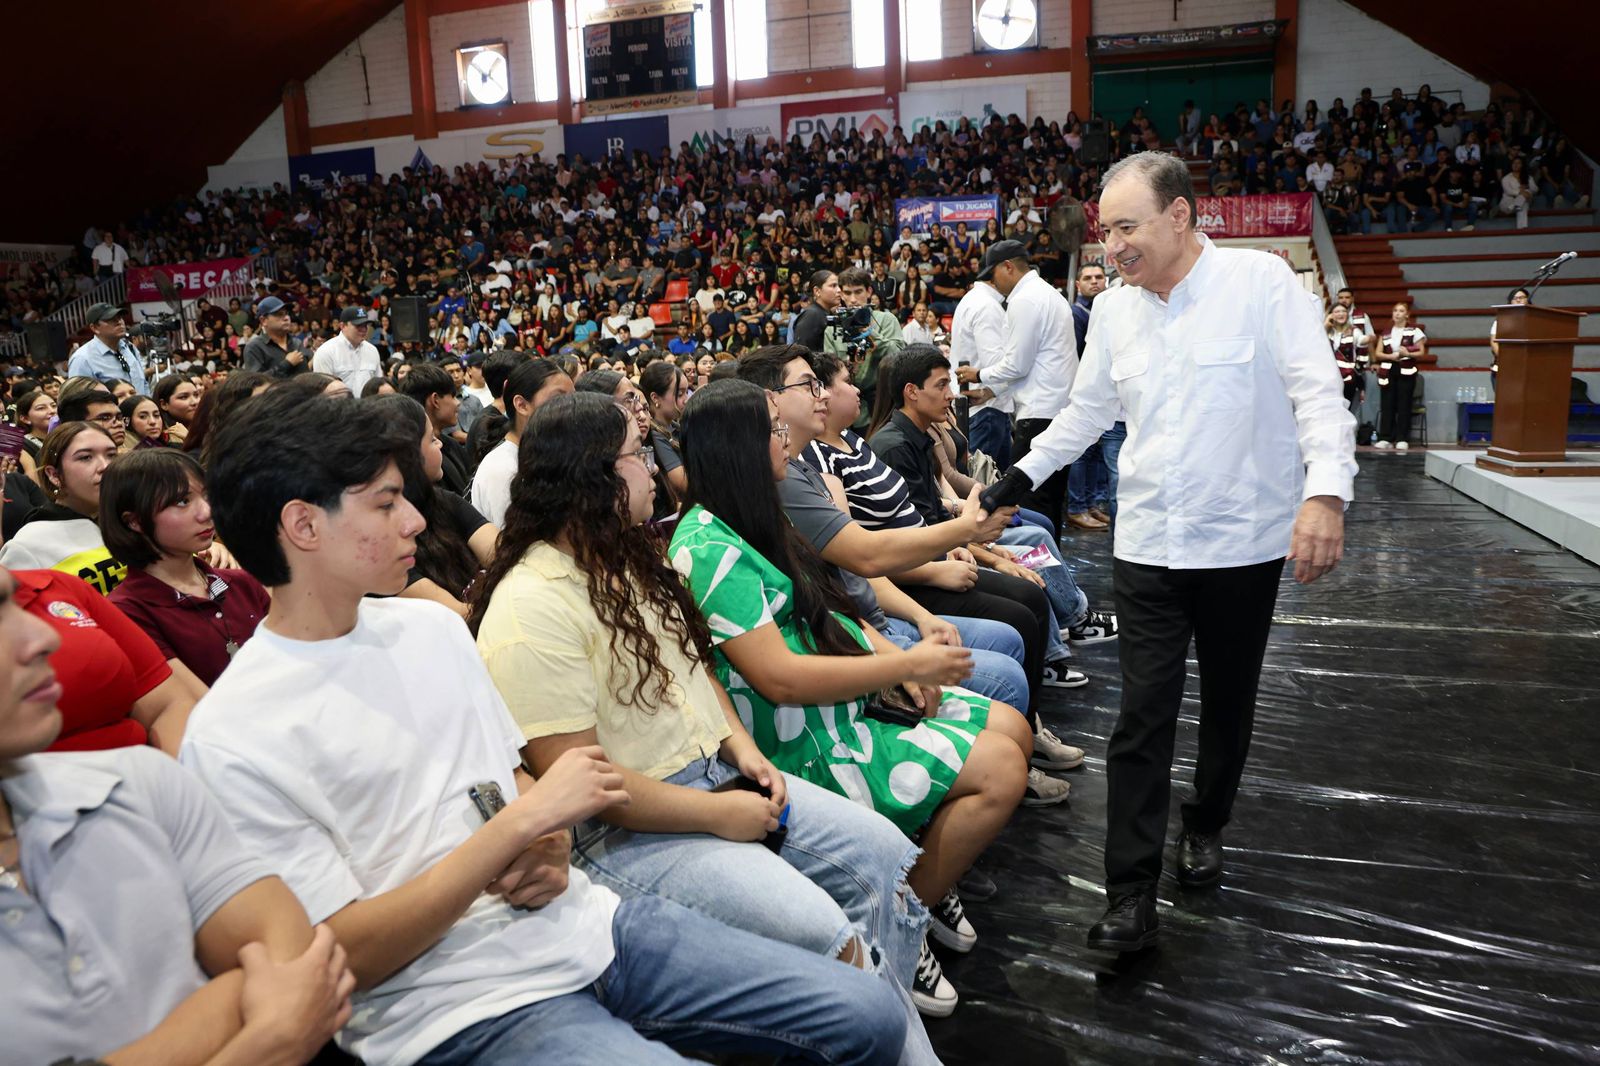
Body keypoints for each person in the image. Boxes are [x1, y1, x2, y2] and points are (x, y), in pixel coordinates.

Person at [184, 387, 907, 1066]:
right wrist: (523, 828)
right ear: (303, 525)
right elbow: (339, 952)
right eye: (386, 503)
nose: (415, 522)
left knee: (868, 1014)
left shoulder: (429, 630)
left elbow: (511, 779)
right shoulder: (237, 731)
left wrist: (548, 840)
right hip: (456, 1002)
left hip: (583, 923)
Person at [470, 392, 941, 1054]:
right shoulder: (531, 607)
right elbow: (582, 786)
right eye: (636, 455)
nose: (653, 471)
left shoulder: (626, 556)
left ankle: (885, 1023)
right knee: (827, 934)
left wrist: (742, 750)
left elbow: (695, 670)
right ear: (594, 476)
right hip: (627, 829)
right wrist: (718, 814)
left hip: (714, 773)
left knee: (882, 852)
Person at [982, 150, 1357, 945]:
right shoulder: (1115, 312)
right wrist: (1018, 476)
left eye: (1128, 227)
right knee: (1141, 716)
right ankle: (1130, 892)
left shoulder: (1261, 285)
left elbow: (1318, 395)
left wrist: (1325, 493)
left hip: (1241, 544)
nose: (1113, 246)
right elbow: (1086, 414)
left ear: (1180, 216)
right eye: (1106, 231)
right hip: (1148, 544)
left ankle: (1207, 821)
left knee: (1228, 702)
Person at [670, 378, 1032, 1015]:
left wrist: (895, 661)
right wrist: (902, 663)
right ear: (737, 448)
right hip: (801, 740)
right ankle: (894, 920)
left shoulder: (760, 514)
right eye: (773, 430)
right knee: (1001, 768)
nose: (786, 438)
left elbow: (830, 608)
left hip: (839, 703)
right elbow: (779, 679)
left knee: (1012, 728)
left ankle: (914, 876)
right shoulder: (706, 547)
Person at [0, 566, 357, 1065]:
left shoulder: (137, 783)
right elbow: (286, 999)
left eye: (13, 604)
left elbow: (301, 965)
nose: (44, 637)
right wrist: (257, 1046)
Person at [103, 448, 271, 688]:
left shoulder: (242, 582)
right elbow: (184, 700)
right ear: (135, 521)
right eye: (182, 502)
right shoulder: (126, 612)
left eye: (206, 496)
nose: (207, 512)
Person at [954, 240, 1079, 527]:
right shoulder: (1050, 294)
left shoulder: (1025, 299)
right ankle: (1050, 554)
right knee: (1049, 499)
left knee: (1030, 501)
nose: (994, 282)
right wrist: (990, 391)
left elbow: (1016, 364)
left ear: (1007, 267)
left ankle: (1040, 556)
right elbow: (1031, 364)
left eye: (993, 274)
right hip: (1056, 407)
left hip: (1038, 412)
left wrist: (978, 375)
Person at [369, 394, 497, 616]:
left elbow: (505, 556)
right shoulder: (380, 546)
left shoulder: (442, 500)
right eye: (431, 439)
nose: (440, 443)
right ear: (408, 454)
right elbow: (460, 616)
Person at [0, 422, 127, 595]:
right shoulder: (28, 547)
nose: (105, 466)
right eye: (85, 457)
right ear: (54, 474)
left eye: (112, 455)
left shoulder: (136, 521)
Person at [470, 357, 574, 526]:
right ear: (522, 405)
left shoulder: (547, 452)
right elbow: (513, 539)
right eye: (558, 399)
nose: (572, 408)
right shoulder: (502, 470)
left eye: (573, 398)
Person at [1065, 263, 1114, 531]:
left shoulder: (1105, 308)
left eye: (1099, 277)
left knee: (1095, 452)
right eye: (1088, 278)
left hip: (1102, 390)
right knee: (1082, 452)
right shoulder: (1076, 314)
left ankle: (1091, 504)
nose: (1094, 281)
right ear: (1078, 284)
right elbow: (1077, 357)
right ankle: (1077, 507)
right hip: (1083, 390)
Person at [949, 272, 1013, 469]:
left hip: (982, 405)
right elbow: (995, 363)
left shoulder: (973, 299)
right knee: (983, 480)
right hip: (986, 406)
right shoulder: (987, 306)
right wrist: (992, 391)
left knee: (992, 478)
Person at [397, 362, 470, 495]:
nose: (457, 403)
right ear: (435, 400)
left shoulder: (451, 445)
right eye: (453, 396)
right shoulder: (419, 461)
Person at [1373, 302, 1432, 450]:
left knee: (1404, 404)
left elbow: (1421, 352)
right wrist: (1390, 357)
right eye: (1395, 311)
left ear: (1407, 314)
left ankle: (1402, 438)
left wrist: (1408, 354)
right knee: (1387, 404)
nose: (1397, 313)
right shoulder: (1386, 332)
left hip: (1406, 370)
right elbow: (1378, 353)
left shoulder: (1415, 331)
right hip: (1388, 370)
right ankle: (1385, 437)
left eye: (1401, 311)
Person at [66, 302, 149, 395]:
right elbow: (79, 397)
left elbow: (143, 384)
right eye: (111, 320)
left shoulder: (129, 348)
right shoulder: (82, 359)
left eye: (120, 317)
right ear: (94, 328)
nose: (119, 322)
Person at [313, 305, 384, 395]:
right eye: (358, 325)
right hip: (339, 404)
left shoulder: (372, 350)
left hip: (369, 403)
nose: (364, 329)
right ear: (342, 326)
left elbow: (379, 384)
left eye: (365, 325)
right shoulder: (326, 351)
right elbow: (322, 391)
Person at [241, 295, 307, 378]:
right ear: (263, 320)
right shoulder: (254, 347)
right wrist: (286, 364)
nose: (286, 318)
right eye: (279, 314)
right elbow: (255, 381)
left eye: (287, 314)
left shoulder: (297, 343)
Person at [1488, 286, 1532, 387]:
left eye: (1521, 297)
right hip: (1504, 368)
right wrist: (1508, 359)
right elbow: (1494, 342)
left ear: (1527, 300)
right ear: (1510, 301)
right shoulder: (1501, 320)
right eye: (1515, 298)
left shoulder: (1535, 319)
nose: (1518, 300)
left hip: (1528, 369)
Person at [792, 269, 840, 351]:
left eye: (838, 286)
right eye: (833, 286)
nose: (839, 290)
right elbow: (803, 351)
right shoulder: (811, 315)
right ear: (817, 291)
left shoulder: (827, 313)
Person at [153, 373, 201, 446]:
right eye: (184, 397)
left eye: (196, 395)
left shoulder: (209, 429)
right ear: (164, 404)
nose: (194, 402)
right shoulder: (158, 439)